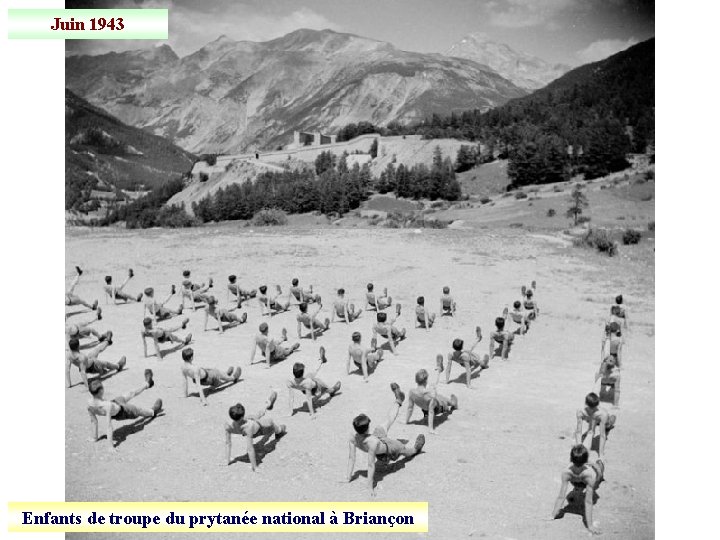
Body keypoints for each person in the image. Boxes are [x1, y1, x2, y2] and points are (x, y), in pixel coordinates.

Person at [346, 383, 426, 497]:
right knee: (405, 451)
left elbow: (351, 458)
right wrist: (370, 486)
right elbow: (370, 465)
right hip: (389, 447)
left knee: (387, 421)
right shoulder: (371, 443)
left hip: (377, 437)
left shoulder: (352, 436)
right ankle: (415, 450)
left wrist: (348, 477)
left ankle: (398, 401)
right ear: (367, 427)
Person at [87, 371, 162, 453]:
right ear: (101, 391)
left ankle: (148, 383)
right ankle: (153, 412)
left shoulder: (89, 404)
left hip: (115, 402)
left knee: (131, 393)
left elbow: (94, 421)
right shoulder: (105, 406)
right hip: (123, 411)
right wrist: (110, 446)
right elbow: (109, 426)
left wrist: (95, 438)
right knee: (139, 410)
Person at [224, 391, 286, 470]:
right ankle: (267, 404)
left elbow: (229, 444)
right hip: (254, 426)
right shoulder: (244, 426)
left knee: (271, 424)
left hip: (260, 427)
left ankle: (279, 429)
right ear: (242, 416)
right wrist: (255, 467)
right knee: (256, 416)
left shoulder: (228, 425)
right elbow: (248, 448)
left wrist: (255, 467)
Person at [551, 444, 604, 535]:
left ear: (570, 459)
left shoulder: (567, 473)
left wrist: (552, 515)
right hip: (581, 477)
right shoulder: (571, 473)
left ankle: (600, 460)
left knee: (600, 470)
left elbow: (561, 496)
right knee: (581, 484)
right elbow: (588, 502)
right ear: (586, 461)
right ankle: (599, 461)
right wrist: (590, 526)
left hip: (593, 471)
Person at [286, 349, 341, 418]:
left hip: (305, 387)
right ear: (302, 373)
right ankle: (333, 390)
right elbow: (308, 398)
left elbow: (291, 397)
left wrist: (290, 411)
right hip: (318, 388)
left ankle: (320, 361)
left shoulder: (290, 381)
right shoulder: (307, 382)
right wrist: (312, 414)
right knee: (326, 388)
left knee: (310, 374)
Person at [405, 364, 457, 433]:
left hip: (425, 407)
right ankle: (454, 403)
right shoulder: (429, 394)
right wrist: (431, 429)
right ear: (426, 380)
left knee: (438, 395)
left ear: (416, 380)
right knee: (444, 400)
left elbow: (410, 408)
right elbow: (431, 411)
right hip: (438, 408)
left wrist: (406, 421)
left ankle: (450, 402)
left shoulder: (412, 392)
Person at [574, 392, 616, 459]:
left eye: (594, 409)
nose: (592, 410)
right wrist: (578, 448)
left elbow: (602, 435)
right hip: (591, 418)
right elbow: (578, 431)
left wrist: (601, 455)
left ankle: (612, 418)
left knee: (608, 424)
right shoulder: (580, 411)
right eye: (590, 409)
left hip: (600, 418)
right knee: (591, 430)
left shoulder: (603, 414)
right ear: (585, 403)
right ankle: (591, 427)